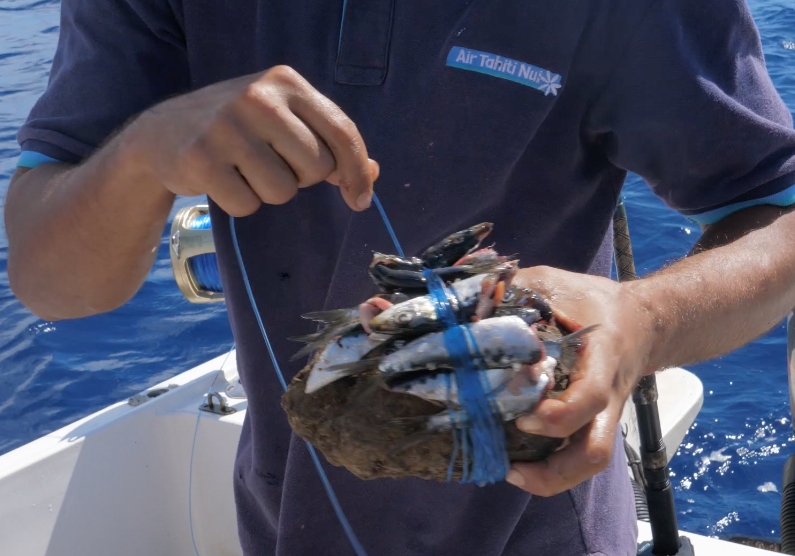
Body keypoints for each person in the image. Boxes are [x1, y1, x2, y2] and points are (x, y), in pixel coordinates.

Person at [5, 0, 795, 553]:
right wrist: (146, 152)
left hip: (539, 529)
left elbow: (778, 209)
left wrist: (644, 321)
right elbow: (53, 282)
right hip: (282, 521)